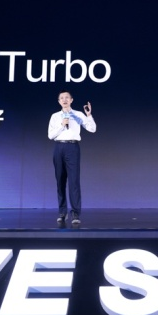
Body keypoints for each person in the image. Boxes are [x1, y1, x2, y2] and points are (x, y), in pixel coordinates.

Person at [47, 90, 96, 224]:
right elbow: (50, 135)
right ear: (59, 101)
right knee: (60, 181)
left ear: (71, 100)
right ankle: (62, 212)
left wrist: (89, 115)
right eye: (62, 98)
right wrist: (62, 125)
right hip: (59, 147)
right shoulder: (55, 116)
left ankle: (75, 213)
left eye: (67, 97)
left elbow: (92, 129)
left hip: (73, 148)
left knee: (74, 181)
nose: (64, 100)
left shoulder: (78, 114)